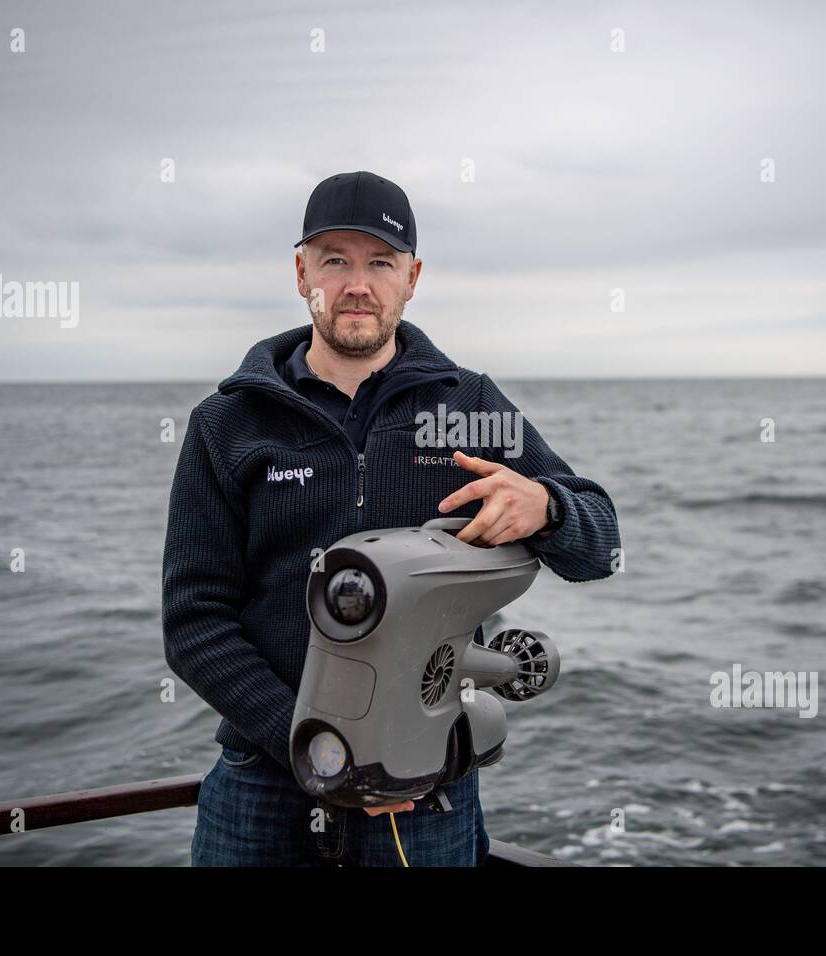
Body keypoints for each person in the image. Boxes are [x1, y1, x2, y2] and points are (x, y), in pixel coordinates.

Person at [163, 170, 622, 866]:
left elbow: (601, 546)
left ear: (412, 277)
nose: (357, 284)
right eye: (335, 261)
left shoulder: (468, 405)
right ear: (301, 273)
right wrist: (316, 747)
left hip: (427, 789)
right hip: (263, 786)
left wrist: (548, 506)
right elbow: (195, 619)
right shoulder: (227, 425)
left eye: (380, 262)